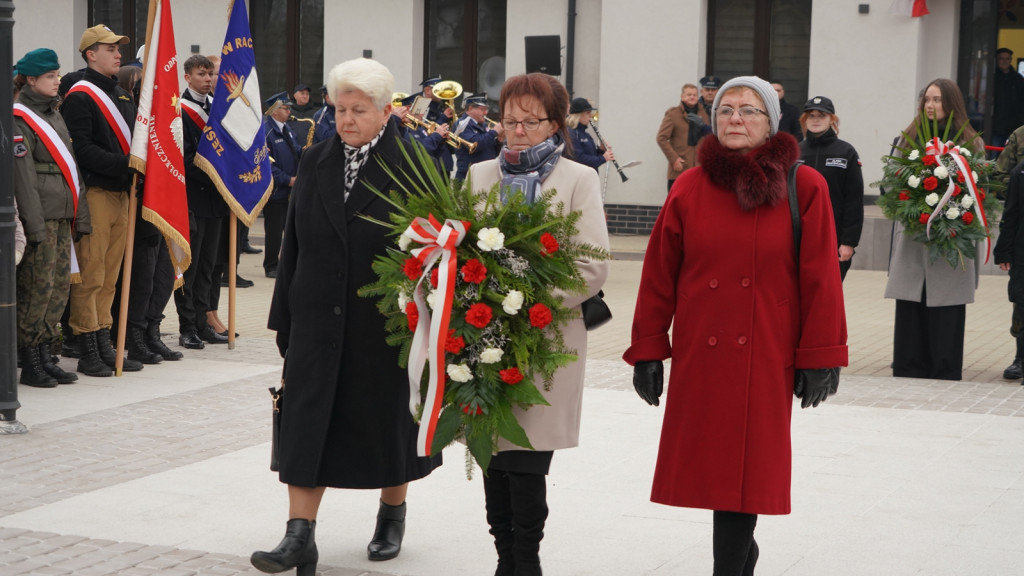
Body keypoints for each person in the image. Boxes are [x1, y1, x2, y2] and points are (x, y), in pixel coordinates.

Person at [624, 75, 847, 576]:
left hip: (766, 353)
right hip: (703, 359)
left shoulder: (804, 184)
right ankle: (738, 562)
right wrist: (647, 351)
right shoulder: (689, 186)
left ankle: (730, 566)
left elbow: (821, 279)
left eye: (749, 111)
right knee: (718, 474)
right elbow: (659, 274)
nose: (735, 119)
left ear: (770, 123)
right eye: (726, 110)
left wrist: (822, 357)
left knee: (744, 476)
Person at [252, 58, 443, 575]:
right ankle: (299, 536)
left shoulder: (414, 162)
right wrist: (285, 320)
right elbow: (293, 243)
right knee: (306, 421)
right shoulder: (315, 160)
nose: (346, 119)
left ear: (385, 112)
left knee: (388, 421)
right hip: (317, 314)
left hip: (385, 319)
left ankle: (391, 513)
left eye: (358, 110)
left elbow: (435, 247)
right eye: (340, 109)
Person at [467, 72, 611, 576]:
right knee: (491, 453)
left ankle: (525, 561)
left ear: (555, 124)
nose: (519, 131)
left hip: (546, 338)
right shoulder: (479, 174)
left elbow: (591, 265)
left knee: (526, 455)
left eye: (531, 121)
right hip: (482, 339)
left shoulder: (578, 178)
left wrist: (522, 301)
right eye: (510, 121)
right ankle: (504, 556)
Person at [884, 78, 985, 381]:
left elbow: (979, 186)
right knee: (912, 299)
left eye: (937, 99)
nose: (930, 105)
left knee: (946, 302)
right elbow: (891, 180)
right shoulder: (907, 138)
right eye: (927, 99)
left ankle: (944, 367)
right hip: (915, 234)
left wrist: (952, 206)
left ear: (951, 103)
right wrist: (912, 202)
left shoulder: (970, 142)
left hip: (953, 234)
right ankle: (908, 365)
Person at [61, 24, 142, 377]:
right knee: (92, 272)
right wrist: (127, 165)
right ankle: (87, 344)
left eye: (119, 49)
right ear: (91, 54)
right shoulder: (79, 96)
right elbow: (83, 151)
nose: (119, 54)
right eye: (111, 49)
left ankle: (105, 338)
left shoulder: (121, 95)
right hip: (96, 192)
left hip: (122, 194)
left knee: (111, 274)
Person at [12, 48, 90, 386]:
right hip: (40, 217)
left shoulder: (54, 113)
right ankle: (30, 361)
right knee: (36, 291)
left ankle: (46, 354)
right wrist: (33, 227)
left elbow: (72, 169)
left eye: (58, 75)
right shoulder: (19, 117)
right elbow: (23, 179)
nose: (58, 81)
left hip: (62, 214)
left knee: (58, 288)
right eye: (50, 76)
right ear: (31, 80)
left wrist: (81, 217)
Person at [174, 54, 229, 350]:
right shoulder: (181, 111)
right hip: (193, 198)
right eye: (201, 74)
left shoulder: (215, 109)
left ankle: (203, 322)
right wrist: (217, 176)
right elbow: (184, 159)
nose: (207, 79)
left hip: (215, 201)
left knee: (208, 265)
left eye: (210, 74)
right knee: (191, 267)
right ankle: (187, 327)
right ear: (187, 77)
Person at [798, 96, 864, 281]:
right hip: (800, 239)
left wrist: (848, 242)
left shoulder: (846, 152)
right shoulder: (796, 152)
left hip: (833, 241)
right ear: (805, 120)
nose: (816, 119)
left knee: (828, 295)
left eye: (822, 115)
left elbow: (854, 199)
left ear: (832, 119)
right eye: (811, 115)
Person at [262, 91, 302, 279]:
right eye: (286, 108)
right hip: (277, 190)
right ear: (275, 110)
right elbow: (266, 164)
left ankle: (289, 264)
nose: (289, 112)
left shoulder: (287, 128)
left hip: (290, 191)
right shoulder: (266, 130)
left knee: (291, 229)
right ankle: (271, 266)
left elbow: (296, 151)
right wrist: (288, 179)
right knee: (274, 231)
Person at [994, 158, 1024, 383]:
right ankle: (1020, 359)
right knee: (1021, 305)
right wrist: (1003, 250)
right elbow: (1011, 212)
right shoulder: (1020, 171)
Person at [656, 83, 709, 192]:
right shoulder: (673, 114)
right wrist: (674, 159)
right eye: (689, 94)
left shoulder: (703, 114)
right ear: (682, 97)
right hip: (680, 168)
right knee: (676, 204)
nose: (692, 97)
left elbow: (708, 138)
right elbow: (661, 138)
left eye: (694, 95)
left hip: (699, 169)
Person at [453, 93, 503, 181]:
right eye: (482, 109)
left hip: (485, 172)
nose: (486, 113)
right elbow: (474, 145)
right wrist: (494, 132)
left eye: (486, 109)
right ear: (471, 108)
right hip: (469, 174)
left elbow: (492, 152)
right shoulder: (462, 124)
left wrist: (499, 140)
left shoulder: (483, 125)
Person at [566, 97, 614, 172]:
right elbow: (580, 159)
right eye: (588, 113)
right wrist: (603, 158)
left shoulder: (586, 134)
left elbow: (592, 157)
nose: (591, 116)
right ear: (579, 115)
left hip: (589, 178)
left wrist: (601, 150)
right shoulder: (571, 134)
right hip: (580, 180)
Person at [992, 48, 1024, 149]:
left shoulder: (1018, 79)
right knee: (992, 156)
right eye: (1001, 58)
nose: (1005, 61)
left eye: (1007, 58)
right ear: (997, 60)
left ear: (1011, 60)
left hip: (1013, 126)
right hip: (994, 127)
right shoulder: (991, 77)